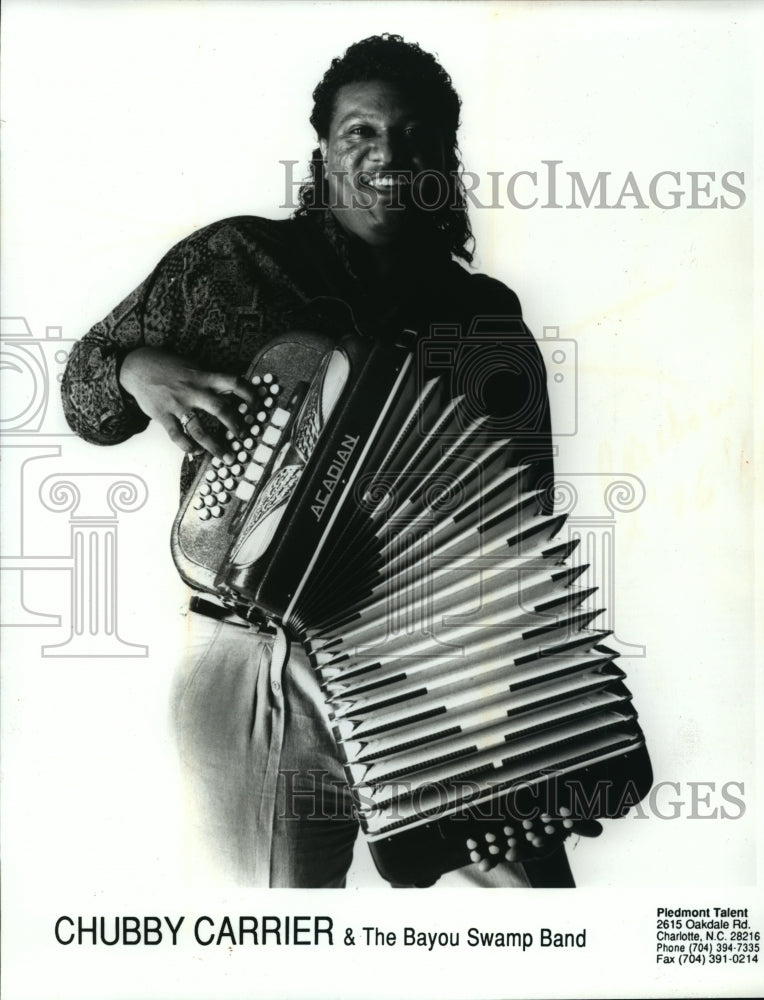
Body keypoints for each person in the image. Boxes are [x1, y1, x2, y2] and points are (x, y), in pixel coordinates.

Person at [62, 33, 599, 887]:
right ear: (323, 147)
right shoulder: (235, 260)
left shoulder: (485, 315)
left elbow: (522, 532)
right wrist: (135, 366)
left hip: (438, 664)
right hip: (258, 659)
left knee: (544, 922)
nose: (389, 156)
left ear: (443, 158)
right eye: (362, 133)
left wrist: (546, 735)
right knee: (282, 944)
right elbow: (86, 396)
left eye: (416, 137)